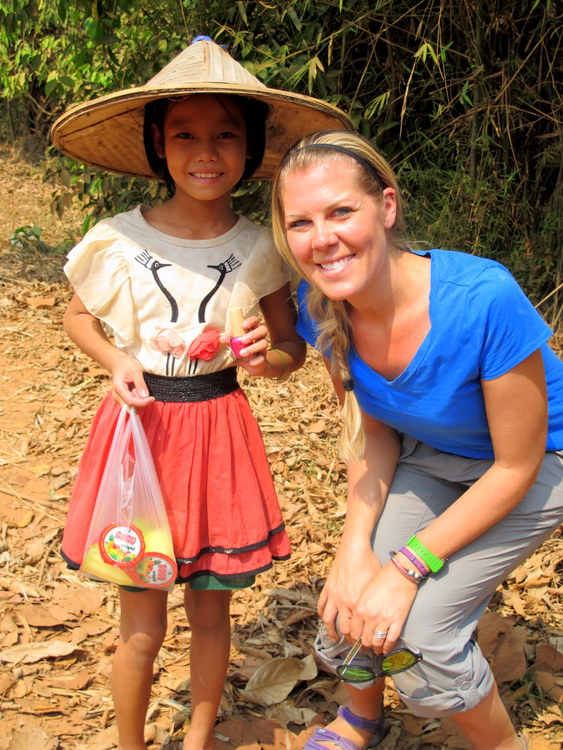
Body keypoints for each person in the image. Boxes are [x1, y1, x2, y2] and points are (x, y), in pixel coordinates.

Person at [51, 39, 352, 750]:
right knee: (142, 623)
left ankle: (198, 738)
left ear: (250, 150)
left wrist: (263, 358)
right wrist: (114, 359)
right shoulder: (117, 239)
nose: (205, 152)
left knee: (212, 615)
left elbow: (289, 349)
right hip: (140, 435)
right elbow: (75, 316)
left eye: (225, 135)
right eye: (184, 134)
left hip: (219, 434)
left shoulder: (261, 245)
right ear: (158, 145)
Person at [270, 129, 563, 750]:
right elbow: (373, 430)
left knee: (422, 628)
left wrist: (407, 566)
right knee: (350, 596)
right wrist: (355, 548)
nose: (322, 238)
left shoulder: (481, 299)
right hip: (431, 454)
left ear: (388, 206)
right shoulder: (319, 304)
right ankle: (360, 719)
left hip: (538, 464)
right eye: (301, 223)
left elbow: (516, 463)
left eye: (341, 211)